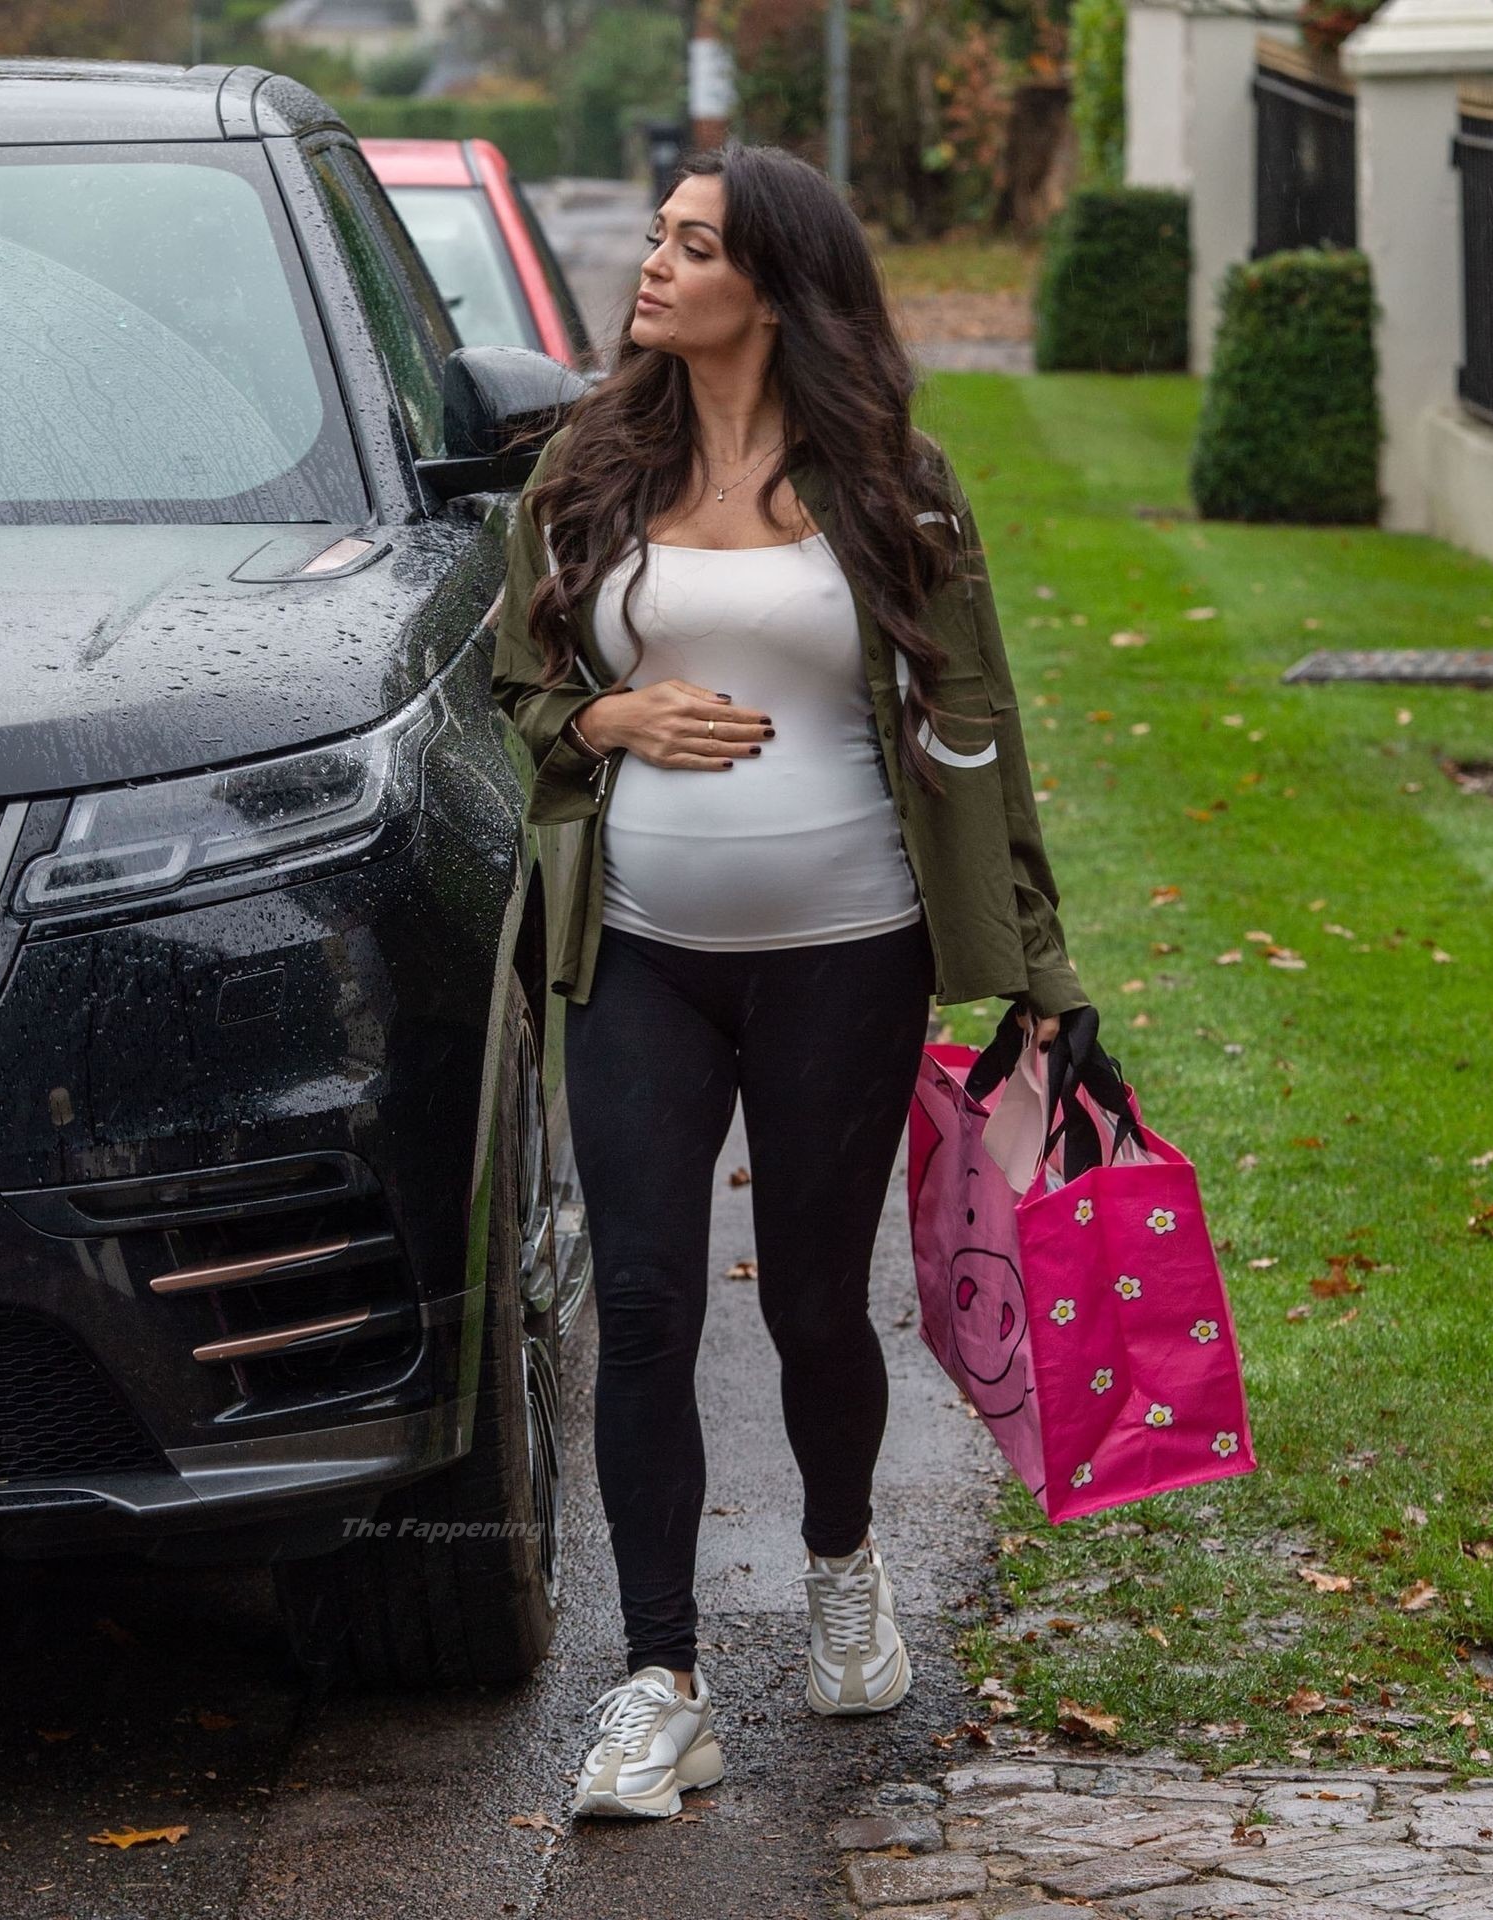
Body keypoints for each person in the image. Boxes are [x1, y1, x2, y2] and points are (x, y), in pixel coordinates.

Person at [489, 138, 1092, 1821]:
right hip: (641, 954)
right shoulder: (587, 469)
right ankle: (660, 1683)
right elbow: (518, 689)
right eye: (657, 237)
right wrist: (607, 715)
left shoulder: (892, 480)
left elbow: (977, 724)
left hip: (848, 955)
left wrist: (1040, 966)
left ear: (776, 285)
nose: (654, 265)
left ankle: (840, 1564)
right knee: (641, 1303)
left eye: (694, 245)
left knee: (817, 1304)